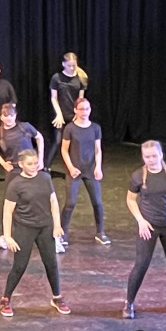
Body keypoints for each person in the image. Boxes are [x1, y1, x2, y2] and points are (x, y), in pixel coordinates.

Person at [123, 140, 166, 319]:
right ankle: (129, 303)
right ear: (142, 157)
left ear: (161, 155)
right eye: (147, 157)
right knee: (141, 265)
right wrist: (140, 221)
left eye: (154, 156)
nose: (151, 160)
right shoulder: (138, 176)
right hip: (149, 226)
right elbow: (130, 199)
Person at [0, 149, 70, 317]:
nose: (34, 166)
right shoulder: (16, 184)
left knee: (51, 263)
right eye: (30, 164)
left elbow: (53, 201)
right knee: (20, 266)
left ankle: (57, 297)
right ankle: (5, 299)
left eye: (36, 163)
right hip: (25, 228)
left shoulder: (45, 178)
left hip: (45, 227)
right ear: (21, 164)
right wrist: (7, 235)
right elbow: (8, 211)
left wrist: (57, 225)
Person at [60, 97, 108, 246]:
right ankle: (62, 233)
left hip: (90, 170)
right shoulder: (70, 128)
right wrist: (70, 167)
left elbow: (98, 149)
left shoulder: (95, 128)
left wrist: (98, 167)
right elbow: (64, 150)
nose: (84, 112)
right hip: (74, 170)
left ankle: (100, 232)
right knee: (70, 203)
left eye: (87, 109)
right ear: (75, 110)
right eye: (81, 109)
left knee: (97, 203)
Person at [0, 103, 44, 193]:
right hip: (13, 168)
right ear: (1, 117)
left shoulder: (25, 127)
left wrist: (40, 159)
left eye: (11, 115)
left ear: (15, 116)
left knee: (34, 193)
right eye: (6, 115)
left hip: (30, 166)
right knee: (12, 195)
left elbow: (39, 137)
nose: (9, 118)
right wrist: (3, 163)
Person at [45, 52, 87, 171]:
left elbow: (81, 99)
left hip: (74, 113)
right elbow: (53, 97)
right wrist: (58, 114)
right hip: (60, 114)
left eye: (74, 65)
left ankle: (76, 167)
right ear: (63, 64)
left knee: (75, 142)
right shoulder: (56, 78)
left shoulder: (81, 78)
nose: (72, 67)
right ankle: (46, 167)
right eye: (69, 65)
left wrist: (77, 114)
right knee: (58, 141)